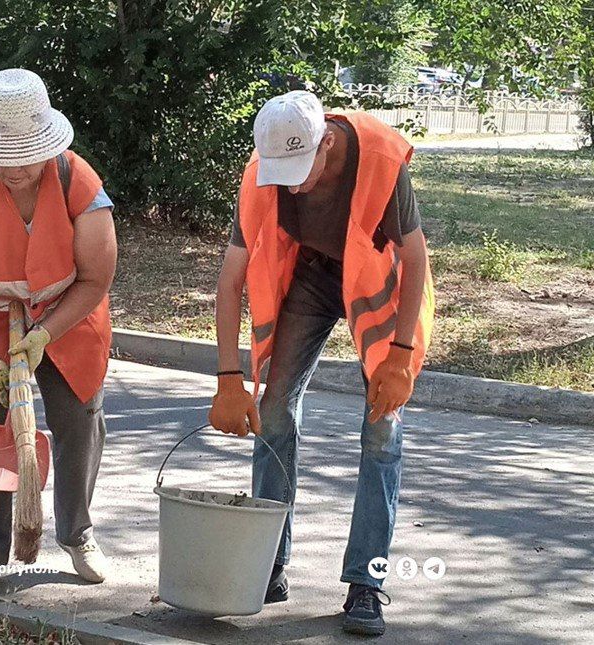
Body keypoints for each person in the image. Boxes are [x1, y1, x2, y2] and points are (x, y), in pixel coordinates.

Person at [208, 90, 434, 636]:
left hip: (374, 280)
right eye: (279, 171)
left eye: (300, 169)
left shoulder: (378, 157)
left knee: (383, 424)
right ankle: (269, 561)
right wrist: (227, 376)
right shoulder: (262, 171)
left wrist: (401, 356)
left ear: (326, 142)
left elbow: (415, 256)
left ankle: (367, 581)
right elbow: (230, 279)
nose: (291, 183)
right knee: (275, 408)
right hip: (310, 277)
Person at [0, 68, 117, 594]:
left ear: (49, 146)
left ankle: (77, 533)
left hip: (66, 314)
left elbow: (96, 277)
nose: (11, 168)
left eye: (24, 156)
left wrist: (44, 334)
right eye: (0, 156)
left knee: (80, 417)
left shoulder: (79, 183)